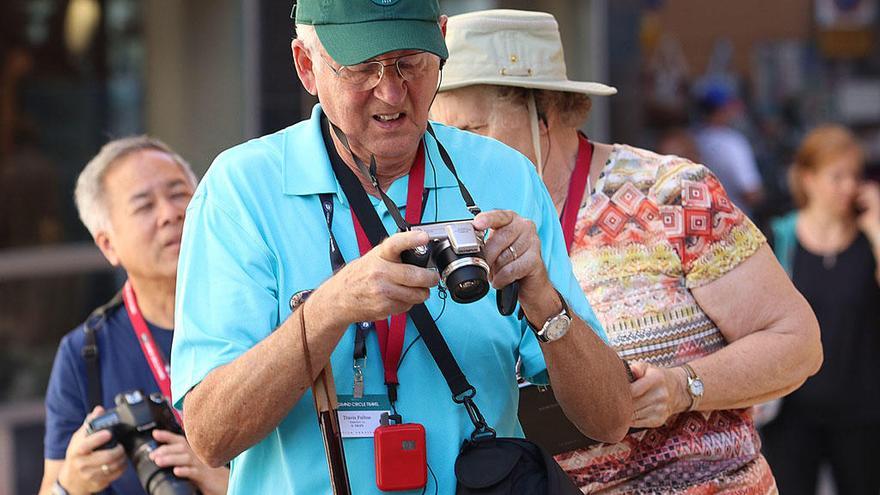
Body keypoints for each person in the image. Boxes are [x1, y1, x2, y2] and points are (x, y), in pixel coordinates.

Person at [170, 1, 633, 493]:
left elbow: (611, 419)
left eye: (410, 63)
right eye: (362, 68)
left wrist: (542, 298)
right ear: (306, 65)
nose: (392, 93)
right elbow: (211, 436)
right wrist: (329, 309)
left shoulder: (504, 174)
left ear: (442, 43)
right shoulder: (241, 190)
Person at [431, 9, 822, 493]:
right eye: (443, 136)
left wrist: (684, 386)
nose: (456, 153)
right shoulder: (454, 229)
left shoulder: (669, 193)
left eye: (472, 130)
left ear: (544, 112)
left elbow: (797, 340)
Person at [39, 137, 229, 495]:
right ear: (107, 244)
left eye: (179, 194)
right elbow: (52, 485)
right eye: (144, 206)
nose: (169, 214)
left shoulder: (262, 310)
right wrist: (72, 484)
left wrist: (233, 485)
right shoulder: (85, 351)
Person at [761, 125, 880, 495]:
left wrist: (876, 225)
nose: (849, 187)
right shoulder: (779, 236)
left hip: (863, 410)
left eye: (855, 176)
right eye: (837, 176)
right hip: (792, 411)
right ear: (808, 179)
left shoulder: (867, 239)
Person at [694, 83, 765, 217]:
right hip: (734, 227)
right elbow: (751, 193)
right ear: (723, 109)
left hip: (700, 223)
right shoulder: (733, 142)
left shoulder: (692, 140)